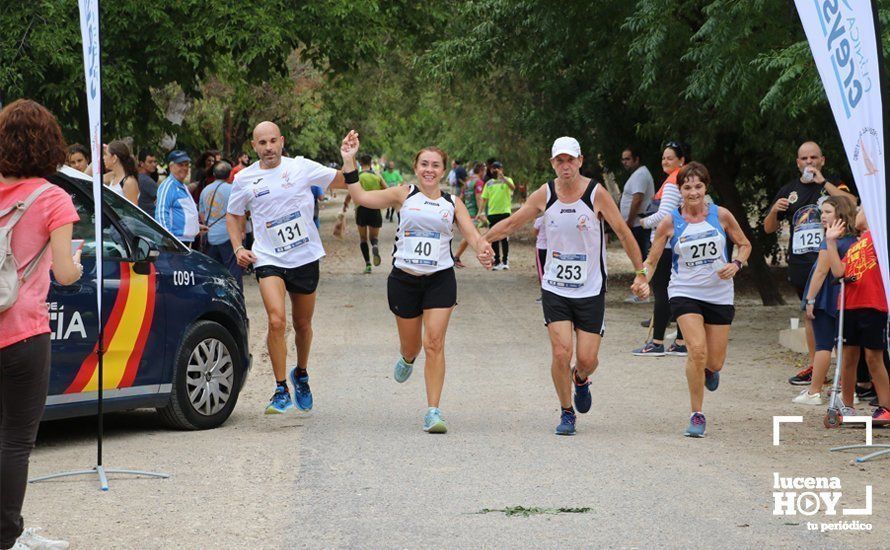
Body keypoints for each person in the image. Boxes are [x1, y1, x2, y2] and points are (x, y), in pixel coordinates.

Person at [484, 137, 648, 435]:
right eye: (559, 161)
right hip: (555, 287)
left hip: (590, 288)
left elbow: (624, 233)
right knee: (561, 353)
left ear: (580, 161)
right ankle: (566, 411)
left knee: (586, 359)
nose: (565, 165)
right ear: (553, 164)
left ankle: (581, 379)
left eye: (570, 160)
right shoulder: (545, 194)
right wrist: (481, 241)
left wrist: (641, 273)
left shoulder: (596, 193)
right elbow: (511, 224)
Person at [340, 137, 494, 433]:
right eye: (424, 164)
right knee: (412, 346)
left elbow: (472, 235)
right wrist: (349, 161)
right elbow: (361, 197)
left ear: (443, 170)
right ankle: (407, 357)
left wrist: (482, 248)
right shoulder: (403, 194)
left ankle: (433, 411)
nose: (429, 170)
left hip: (440, 279)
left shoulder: (452, 203)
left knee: (434, 342)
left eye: (435, 165)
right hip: (404, 281)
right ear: (416, 167)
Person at [226, 122, 353, 415]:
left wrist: (348, 157)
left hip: (304, 256)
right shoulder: (245, 178)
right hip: (269, 257)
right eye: (262, 143)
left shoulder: (301, 167)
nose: (268, 147)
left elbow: (345, 180)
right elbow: (233, 216)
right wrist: (238, 248)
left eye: (273, 141)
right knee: (275, 321)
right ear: (254, 146)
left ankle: (301, 374)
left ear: (282, 141)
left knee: (303, 325)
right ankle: (281, 388)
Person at [0, 99, 82, 550]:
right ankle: (9, 537)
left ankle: (10, 529)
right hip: (23, 333)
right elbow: (65, 274)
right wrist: (78, 265)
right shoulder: (52, 198)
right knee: (15, 441)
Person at [633, 162, 752, 437]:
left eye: (698, 186)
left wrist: (736, 264)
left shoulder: (721, 215)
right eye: (687, 187)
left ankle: (710, 371)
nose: (693, 192)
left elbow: (745, 244)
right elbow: (651, 260)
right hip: (684, 291)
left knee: (714, 361)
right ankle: (697, 414)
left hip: (720, 292)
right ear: (680, 190)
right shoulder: (670, 221)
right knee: (696, 350)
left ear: (705, 188)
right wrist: (642, 279)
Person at [764, 141, 855, 386]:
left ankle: (851, 375)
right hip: (802, 263)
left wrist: (823, 182)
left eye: (814, 158)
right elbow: (768, 228)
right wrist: (774, 210)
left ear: (822, 160)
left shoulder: (833, 181)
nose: (809, 162)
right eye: (804, 158)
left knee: (840, 314)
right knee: (809, 314)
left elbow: (852, 203)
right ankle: (817, 369)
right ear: (797, 163)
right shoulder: (789, 189)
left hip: (833, 257)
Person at [824, 210, 890, 425]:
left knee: (873, 357)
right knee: (848, 358)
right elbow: (838, 271)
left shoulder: (879, 237)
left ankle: (886, 406)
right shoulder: (854, 245)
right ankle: (848, 406)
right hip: (848, 305)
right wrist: (831, 243)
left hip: (873, 303)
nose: (858, 213)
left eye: (862, 209)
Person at [793, 197, 858, 405]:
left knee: (823, 345)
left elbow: (820, 272)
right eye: (822, 212)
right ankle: (847, 391)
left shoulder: (830, 242)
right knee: (844, 347)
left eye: (828, 212)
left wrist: (810, 299)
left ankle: (814, 391)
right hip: (847, 298)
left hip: (827, 297)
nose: (823, 216)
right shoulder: (855, 241)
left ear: (840, 214)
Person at [633, 141, 688, 356]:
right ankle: (681, 343)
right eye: (663, 158)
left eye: (670, 158)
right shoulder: (680, 180)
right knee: (677, 290)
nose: (665, 161)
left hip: (664, 244)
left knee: (662, 291)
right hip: (675, 243)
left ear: (681, 160)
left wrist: (641, 223)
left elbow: (663, 216)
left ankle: (656, 342)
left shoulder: (674, 182)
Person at [199, 161, 243, 290]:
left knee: (213, 271)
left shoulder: (205, 190)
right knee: (233, 271)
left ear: (213, 174)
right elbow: (240, 213)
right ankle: (236, 297)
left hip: (210, 236)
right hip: (229, 236)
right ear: (230, 175)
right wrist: (241, 232)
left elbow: (202, 214)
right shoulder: (232, 190)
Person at [156, 150, 201, 245]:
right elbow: (161, 214)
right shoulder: (168, 186)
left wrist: (197, 226)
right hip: (177, 242)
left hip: (185, 241)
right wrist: (170, 241)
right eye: (181, 165)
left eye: (186, 165)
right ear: (171, 166)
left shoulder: (181, 185)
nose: (184, 168)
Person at [351, 154, 387, 273]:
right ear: (371, 163)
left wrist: (346, 204)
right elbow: (386, 189)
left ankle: (368, 265)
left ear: (361, 163)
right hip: (375, 208)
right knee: (374, 237)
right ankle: (375, 246)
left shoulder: (358, 176)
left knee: (363, 238)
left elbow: (351, 192)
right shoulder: (377, 176)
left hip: (361, 209)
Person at [619, 147, 654, 263]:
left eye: (628, 159)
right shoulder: (637, 174)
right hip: (636, 224)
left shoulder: (640, 174)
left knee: (642, 258)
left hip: (639, 225)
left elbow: (637, 199)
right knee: (639, 258)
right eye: (623, 159)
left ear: (636, 159)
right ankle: (643, 279)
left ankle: (645, 280)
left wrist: (629, 222)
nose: (625, 162)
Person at [477, 161, 515, 270]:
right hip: (492, 214)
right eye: (493, 169)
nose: (495, 170)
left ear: (502, 169)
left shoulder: (507, 180)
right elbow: (484, 199)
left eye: (498, 168)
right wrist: (480, 212)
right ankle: (497, 261)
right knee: (493, 238)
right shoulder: (489, 183)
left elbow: (513, 188)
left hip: (505, 213)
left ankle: (505, 261)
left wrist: (503, 178)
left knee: (504, 238)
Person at [453, 162, 486, 268]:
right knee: (469, 236)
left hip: (467, 211)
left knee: (478, 236)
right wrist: (480, 212)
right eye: (484, 170)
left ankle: (486, 256)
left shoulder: (468, 182)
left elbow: (461, 196)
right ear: (481, 171)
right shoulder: (479, 182)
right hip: (473, 213)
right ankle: (456, 257)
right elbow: (478, 197)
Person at [136, 150, 159, 214]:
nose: (154, 164)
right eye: (150, 162)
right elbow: (163, 199)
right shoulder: (146, 181)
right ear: (141, 163)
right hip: (149, 217)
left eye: (155, 161)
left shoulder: (138, 177)